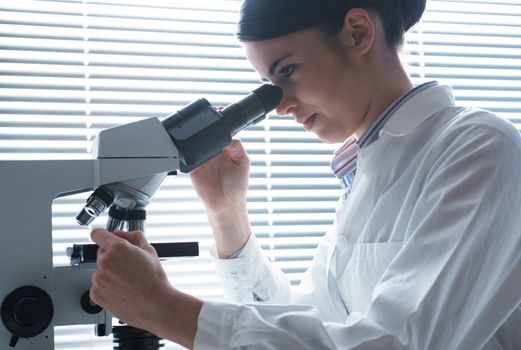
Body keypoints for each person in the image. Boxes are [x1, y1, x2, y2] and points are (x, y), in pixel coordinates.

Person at [89, 0, 521, 349]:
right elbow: (314, 325)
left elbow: (399, 343)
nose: (279, 106)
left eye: (288, 71)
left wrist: (168, 310)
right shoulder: (368, 170)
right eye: (267, 84)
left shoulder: (477, 148)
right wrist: (227, 213)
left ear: (358, 33)